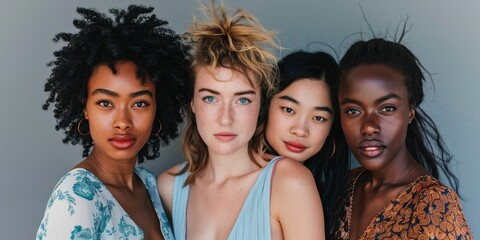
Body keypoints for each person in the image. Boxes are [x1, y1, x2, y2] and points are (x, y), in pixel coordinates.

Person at [157, 3, 324, 240]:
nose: (226, 118)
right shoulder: (168, 188)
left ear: (260, 106)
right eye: (210, 98)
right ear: (192, 103)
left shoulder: (289, 182)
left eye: (243, 100)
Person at [36, 5, 189, 240]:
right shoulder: (78, 196)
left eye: (139, 103)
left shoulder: (148, 184)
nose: (123, 122)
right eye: (106, 103)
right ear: (85, 108)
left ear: (158, 108)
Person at [331, 38, 472, 239]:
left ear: (409, 112)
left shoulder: (433, 204)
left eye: (387, 108)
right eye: (353, 110)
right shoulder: (344, 187)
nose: (369, 127)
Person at [265, 50, 349, 231]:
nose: (300, 130)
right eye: (288, 110)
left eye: (318, 118)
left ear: (331, 129)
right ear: (266, 105)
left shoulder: (319, 194)